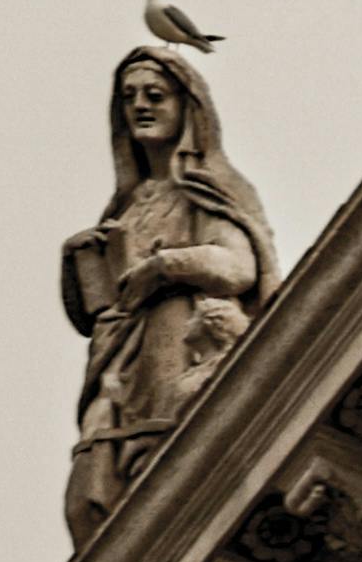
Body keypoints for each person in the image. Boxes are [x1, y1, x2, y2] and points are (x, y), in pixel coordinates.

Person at [57, 37, 273, 533]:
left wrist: (164, 266)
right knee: (90, 495)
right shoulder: (125, 208)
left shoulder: (209, 188)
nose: (140, 106)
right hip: (116, 367)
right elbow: (92, 314)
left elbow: (239, 267)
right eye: (130, 97)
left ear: (186, 106)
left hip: (173, 346)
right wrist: (80, 263)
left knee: (164, 469)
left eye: (155, 95)